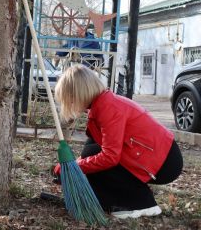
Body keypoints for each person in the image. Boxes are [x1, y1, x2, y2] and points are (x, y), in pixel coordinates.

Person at [53, 65, 183, 219]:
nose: (70, 105)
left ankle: (142, 204)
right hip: (156, 156)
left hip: (164, 162)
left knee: (96, 158)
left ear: (78, 93)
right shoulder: (102, 104)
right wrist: (71, 167)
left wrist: (74, 167)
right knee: (90, 152)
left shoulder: (108, 108)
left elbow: (110, 157)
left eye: (69, 99)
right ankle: (115, 200)